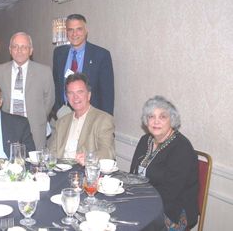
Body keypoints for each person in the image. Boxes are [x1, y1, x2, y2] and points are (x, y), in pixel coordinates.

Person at [130, 96, 198, 230]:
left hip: (173, 210)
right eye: (151, 116)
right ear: (146, 120)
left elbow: (171, 192)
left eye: (162, 117)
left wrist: (139, 202)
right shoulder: (145, 140)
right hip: (144, 200)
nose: (156, 121)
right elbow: (133, 174)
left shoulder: (181, 148)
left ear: (171, 120)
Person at [0, 32, 55, 150]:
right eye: (15, 47)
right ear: (10, 50)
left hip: (35, 128)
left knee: (34, 163)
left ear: (31, 50)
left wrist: (38, 116)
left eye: (24, 47)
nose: (19, 50)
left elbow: (49, 100)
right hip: (7, 126)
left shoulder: (44, 71)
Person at [52, 13, 114, 117]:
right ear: (66, 32)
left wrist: (105, 121)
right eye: (70, 30)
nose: (74, 34)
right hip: (64, 114)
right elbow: (56, 85)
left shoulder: (101, 55)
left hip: (92, 117)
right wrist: (58, 109)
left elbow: (107, 94)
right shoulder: (59, 53)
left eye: (79, 29)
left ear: (86, 31)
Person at [49, 73, 115, 163]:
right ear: (67, 97)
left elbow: (108, 152)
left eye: (80, 92)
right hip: (61, 171)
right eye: (71, 93)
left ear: (88, 95)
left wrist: (89, 158)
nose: (75, 97)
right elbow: (51, 152)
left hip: (84, 172)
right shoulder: (61, 122)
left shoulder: (103, 120)